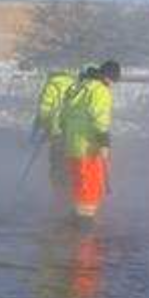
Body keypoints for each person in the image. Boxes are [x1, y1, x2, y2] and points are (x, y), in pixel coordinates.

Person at [59, 60, 121, 218]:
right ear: (109, 77)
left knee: (78, 180)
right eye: (113, 81)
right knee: (91, 183)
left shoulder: (79, 87)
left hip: (72, 143)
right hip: (88, 145)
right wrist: (104, 142)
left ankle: (76, 214)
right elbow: (100, 118)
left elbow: (63, 116)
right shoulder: (100, 90)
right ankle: (85, 221)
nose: (112, 85)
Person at [31, 68, 82, 205]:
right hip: (73, 132)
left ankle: (58, 196)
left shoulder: (51, 85)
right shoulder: (75, 84)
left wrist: (44, 127)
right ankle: (71, 195)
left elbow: (44, 110)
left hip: (57, 132)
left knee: (57, 164)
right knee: (69, 164)